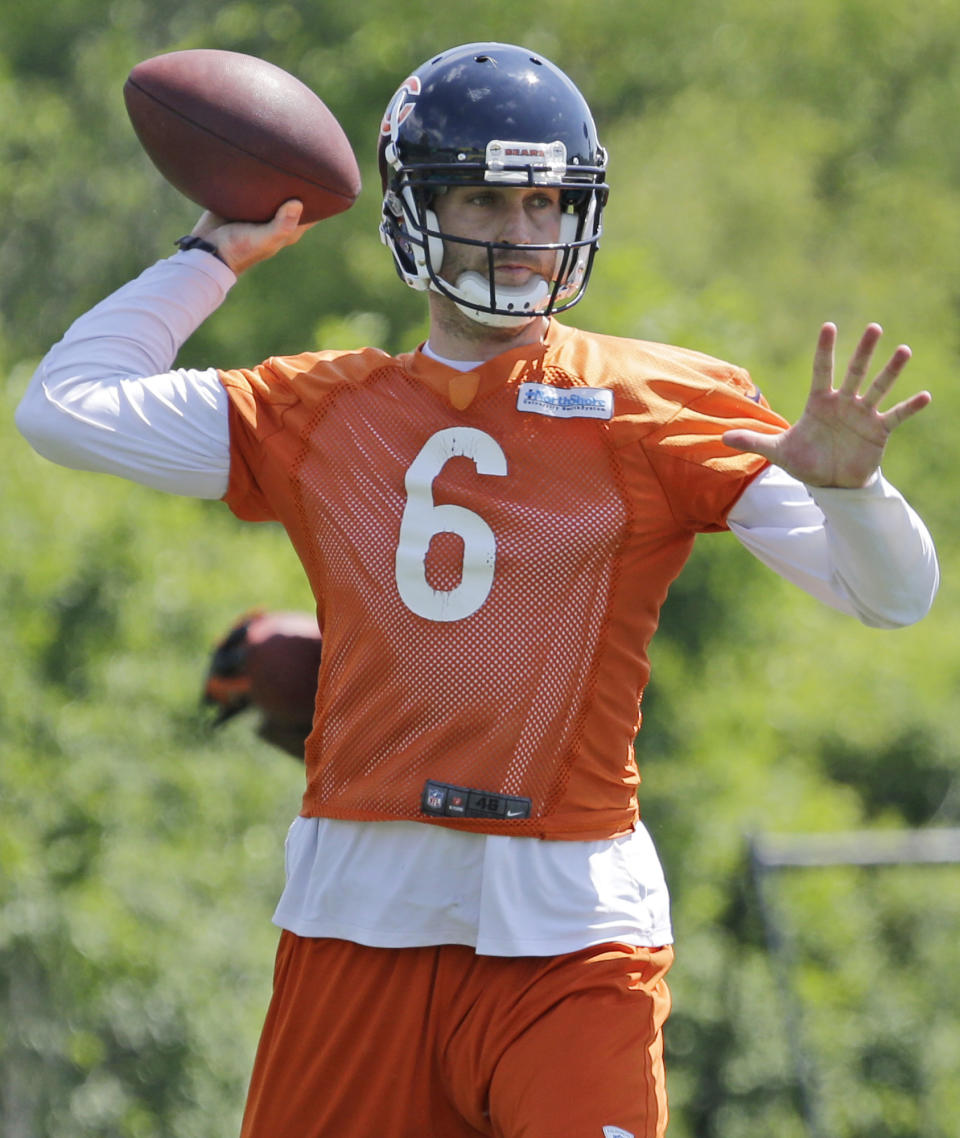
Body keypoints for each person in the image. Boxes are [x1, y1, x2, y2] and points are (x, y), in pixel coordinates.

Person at [15, 40, 939, 1138]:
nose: (519, 233)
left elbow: (892, 598)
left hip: (573, 925)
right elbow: (62, 406)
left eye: (546, 202)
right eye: (485, 199)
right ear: (416, 211)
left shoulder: (655, 402)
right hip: (358, 911)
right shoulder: (322, 409)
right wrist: (213, 254)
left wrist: (859, 493)